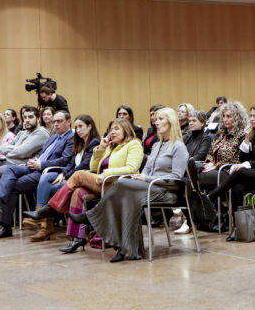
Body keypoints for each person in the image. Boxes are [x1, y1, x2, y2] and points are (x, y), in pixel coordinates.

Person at [72, 108, 189, 262]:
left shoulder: (179, 146)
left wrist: (146, 178)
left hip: (167, 191)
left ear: (171, 122)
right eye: (156, 119)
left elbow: (176, 178)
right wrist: (140, 177)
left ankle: (93, 217)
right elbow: (146, 169)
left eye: (161, 119)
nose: (156, 122)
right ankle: (126, 248)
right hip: (149, 188)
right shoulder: (156, 146)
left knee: (122, 184)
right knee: (127, 198)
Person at [25, 118, 142, 252]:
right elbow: (94, 167)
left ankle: (49, 209)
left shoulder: (134, 144)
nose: (112, 132)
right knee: (78, 192)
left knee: (79, 175)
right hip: (102, 183)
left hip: (119, 186)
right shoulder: (111, 146)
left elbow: (132, 168)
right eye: (111, 129)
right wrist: (101, 148)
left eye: (116, 129)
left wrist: (107, 173)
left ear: (126, 130)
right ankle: (77, 238)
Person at [0, 111, 75, 240]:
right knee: (10, 169)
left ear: (68, 122)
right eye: (54, 121)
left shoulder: (71, 137)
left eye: (59, 121)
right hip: (35, 167)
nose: (56, 124)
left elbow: (64, 160)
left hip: (47, 172)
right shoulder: (53, 137)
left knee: (12, 185)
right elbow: (42, 153)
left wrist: (41, 164)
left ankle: (4, 225)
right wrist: (34, 160)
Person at [203, 105, 255, 240]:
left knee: (239, 172)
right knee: (237, 187)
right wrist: (246, 139)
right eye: (251, 116)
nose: (252, 119)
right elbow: (245, 158)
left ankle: (211, 197)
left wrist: (245, 165)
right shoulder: (254, 133)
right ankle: (238, 227)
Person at [23, 114, 100, 242]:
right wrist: (63, 174)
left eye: (81, 126)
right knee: (47, 177)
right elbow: (71, 163)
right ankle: (41, 215)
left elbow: (84, 165)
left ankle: (43, 218)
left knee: (51, 187)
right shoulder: (80, 142)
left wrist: (66, 175)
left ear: (90, 126)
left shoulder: (94, 142)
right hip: (72, 175)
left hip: (83, 178)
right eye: (76, 127)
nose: (78, 130)